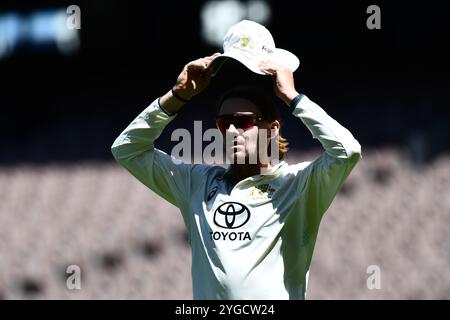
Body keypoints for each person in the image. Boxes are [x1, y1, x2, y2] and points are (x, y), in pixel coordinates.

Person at [111, 52, 362, 299]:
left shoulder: (299, 184)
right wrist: (176, 96)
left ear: (272, 129)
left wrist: (293, 98)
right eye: (224, 123)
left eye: (243, 122)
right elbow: (127, 149)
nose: (232, 130)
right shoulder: (196, 184)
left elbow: (347, 152)